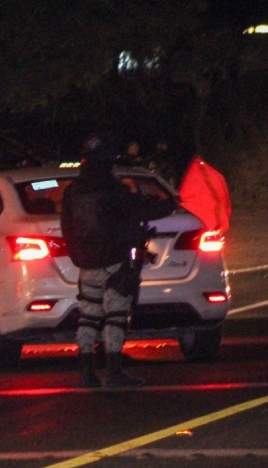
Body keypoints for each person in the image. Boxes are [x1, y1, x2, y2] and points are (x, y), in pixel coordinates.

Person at [60, 133, 176, 388]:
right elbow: (140, 211)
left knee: (88, 316)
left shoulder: (72, 192)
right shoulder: (114, 190)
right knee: (116, 314)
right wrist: (168, 205)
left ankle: (86, 372)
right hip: (114, 260)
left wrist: (78, 254)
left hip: (86, 263)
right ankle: (113, 371)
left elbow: (66, 226)